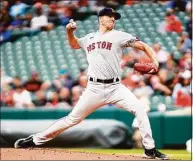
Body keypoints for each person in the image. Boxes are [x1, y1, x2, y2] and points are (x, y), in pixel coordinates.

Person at [14, 8, 168, 159]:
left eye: (114, 17)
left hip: (116, 88)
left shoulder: (119, 36)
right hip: (94, 89)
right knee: (72, 119)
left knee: (140, 109)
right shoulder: (89, 38)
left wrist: (155, 60)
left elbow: (144, 46)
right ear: (100, 19)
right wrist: (69, 32)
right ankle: (35, 140)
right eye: (109, 16)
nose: (113, 19)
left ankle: (149, 149)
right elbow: (74, 44)